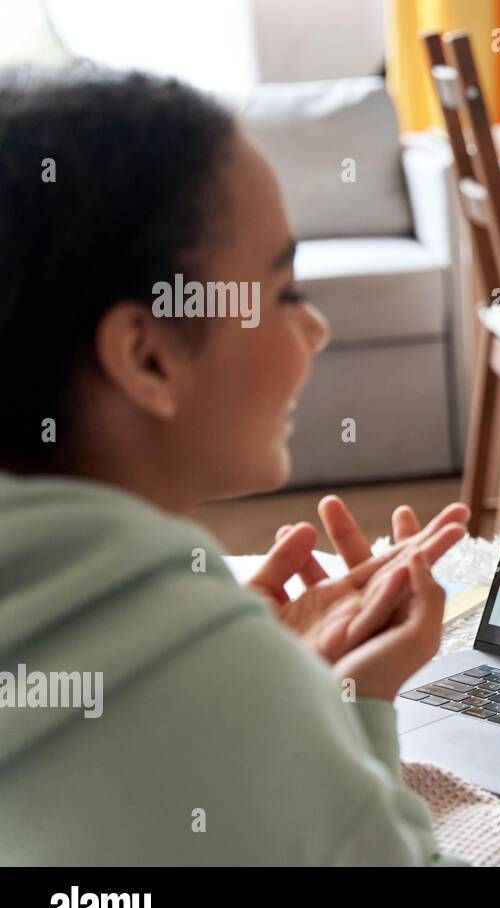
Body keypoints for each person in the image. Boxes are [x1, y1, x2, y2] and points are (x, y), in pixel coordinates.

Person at [0, 67, 467, 864]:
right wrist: (340, 706)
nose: (314, 328)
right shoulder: (229, 689)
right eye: (284, 291)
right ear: (147, 355)